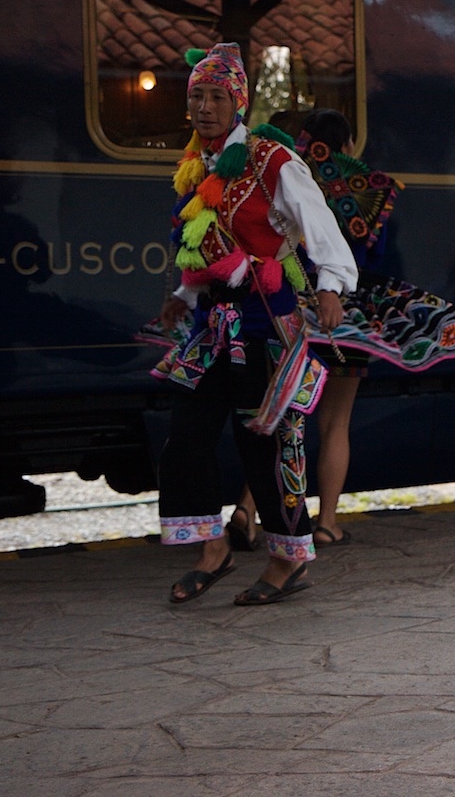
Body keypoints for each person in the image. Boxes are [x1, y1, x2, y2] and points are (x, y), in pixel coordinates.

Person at [154, 43, 357, 606]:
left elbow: (321, 226)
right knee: (184, 438)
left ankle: (286, 560)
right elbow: (205, 247)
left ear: (238, 102)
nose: (204, 107)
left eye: (217, 96)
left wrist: (331, 286)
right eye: (197, 95)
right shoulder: (199, 166)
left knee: (264, 447)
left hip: (266, 324)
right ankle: (213, 548)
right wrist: (183, 292)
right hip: (212, 324)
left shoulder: (272, 161)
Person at [292, 108, 455, 546]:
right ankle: (326, 522)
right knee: (335, 424)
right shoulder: (372, 188)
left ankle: (250, 511)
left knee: (280, 419)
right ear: (347, 145)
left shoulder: (292, 177)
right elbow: (377, 252)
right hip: (354, 318)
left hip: (295, 311)